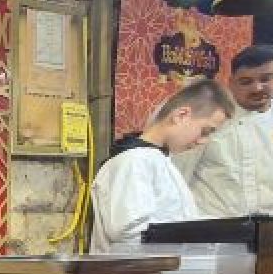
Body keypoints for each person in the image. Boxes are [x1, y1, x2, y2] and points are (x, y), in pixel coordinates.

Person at [90, 79, 235, 253]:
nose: (203, 141)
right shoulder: (134, 161)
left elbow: (181, 221)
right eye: (205, 131)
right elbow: (131, 234)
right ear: (181, 115)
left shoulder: (159, 160)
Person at [175, 45, 273, 218]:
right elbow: (176, 178)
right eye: (246, 81)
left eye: (266, 79)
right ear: (231, 83)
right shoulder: (206, 118)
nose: (257, 88)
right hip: (212, 231)